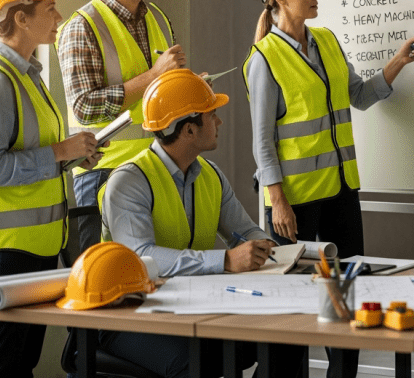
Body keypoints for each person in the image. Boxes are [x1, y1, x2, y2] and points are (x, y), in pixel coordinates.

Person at [242, 0, 414, 377]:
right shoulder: (264, 60)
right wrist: (277, 200)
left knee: (349, 292)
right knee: (296, 305)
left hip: (342, 190)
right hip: (295, 202)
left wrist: (399, 62)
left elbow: (359, 97)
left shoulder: (326, 40)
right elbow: (262, 141)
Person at [99, 69, 305, 378]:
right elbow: (141, 258)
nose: (219, 122)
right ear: (189, 131)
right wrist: (224, 260)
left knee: (286, 338)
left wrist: (271, 250)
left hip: (186, 304)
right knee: (195, 362)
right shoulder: (129, 182)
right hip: (126, 315)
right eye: (212, 115)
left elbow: (244, 231)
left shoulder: (210, 174)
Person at [0, 0, 103, 378]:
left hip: (36, 248)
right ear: (21, 18)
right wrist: (60, 153)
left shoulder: (29, 76)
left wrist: (74, 155)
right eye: (50, 9)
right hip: (4, 251)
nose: (59, 17)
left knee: (20, 365)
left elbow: (32, 156)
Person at [57, 0, 184, 253]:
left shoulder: (158, 18)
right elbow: (84, 105)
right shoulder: (81, 28)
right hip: (104, 174)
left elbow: (161, 92)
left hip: (159, 165)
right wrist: (153, 76)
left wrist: (187, 87)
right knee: (106, 273)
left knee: (158, 268)